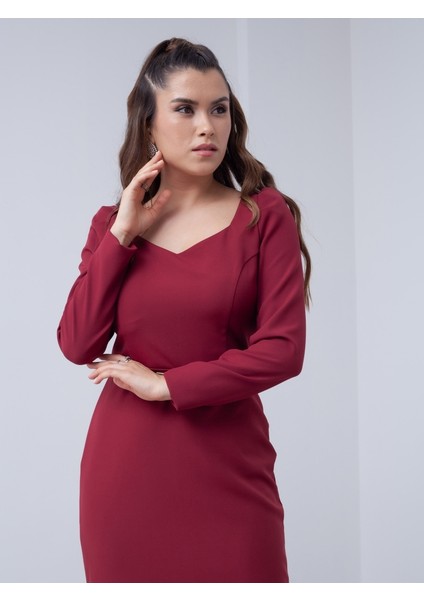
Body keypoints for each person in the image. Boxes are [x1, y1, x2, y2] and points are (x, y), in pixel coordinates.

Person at [57, 37, 311, 583]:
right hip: (125, 476)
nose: (207, 127)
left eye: (219, 109)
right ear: (149, 124)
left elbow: (283, 351)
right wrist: (123, 234)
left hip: (229, 467)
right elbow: (77, 343)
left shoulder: (264, 216)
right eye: (185, 109)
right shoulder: (110, 225)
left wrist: (166, 385)